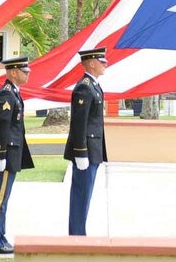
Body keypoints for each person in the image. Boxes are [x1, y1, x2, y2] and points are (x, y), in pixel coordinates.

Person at [0, 56, 34, 255]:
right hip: (5, 155)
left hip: (11, 154)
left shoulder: (13, 93)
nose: (27, 74)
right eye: (24, 71)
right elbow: (1, 127)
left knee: (1, 199)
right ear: (13, 71)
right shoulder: (7, 95)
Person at [64, 47, 108, 236]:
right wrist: (80, 151)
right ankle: (77, 235)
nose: (105, 63)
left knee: (85, 195)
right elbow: (79, 123)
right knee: (81, 195)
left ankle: (79, 233)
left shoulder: (94, 86)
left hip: (93, 149)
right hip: (86, 151)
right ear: (91, 63)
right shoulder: (85, 87)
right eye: (101, 61)